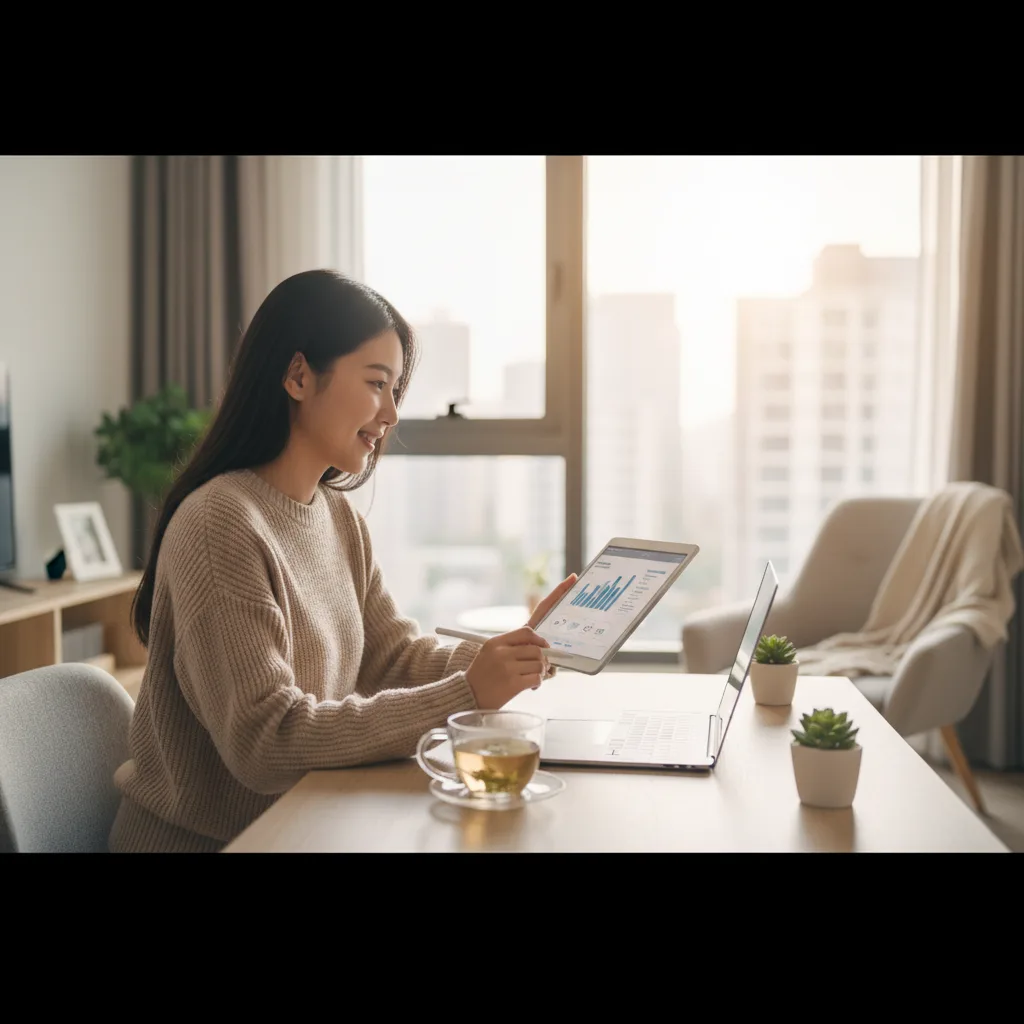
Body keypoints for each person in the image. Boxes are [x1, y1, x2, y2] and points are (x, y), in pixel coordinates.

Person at [108, 269, 576, 853]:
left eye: (396, 390)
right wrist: (468, 694)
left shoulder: (337, 517)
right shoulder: (220, 524)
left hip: (307, 824)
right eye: (377, 383)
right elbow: (266, 741)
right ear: (298, 376)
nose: (392, 415)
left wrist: (504, 657)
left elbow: (390, 656)